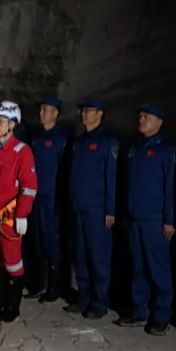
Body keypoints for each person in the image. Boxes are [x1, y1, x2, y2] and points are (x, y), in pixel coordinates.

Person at [120, 103, 176, 334]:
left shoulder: (166, 150)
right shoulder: (134, 149)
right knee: (138, 267)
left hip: (155, 220)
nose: (141, 119)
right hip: (135, 218)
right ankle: (139, 310)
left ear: (159, 122)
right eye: (140, 116)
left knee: (158, 269)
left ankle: (161, 315)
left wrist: (169, 220)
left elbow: (170, 187)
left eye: (147, 117)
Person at [0, 101, 38, 323]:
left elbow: (29, 187)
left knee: (12, 262)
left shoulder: (22, 152)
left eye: (1, 121)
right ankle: (1, 305)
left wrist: (22, 214)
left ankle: (12, 309)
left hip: (9, 218)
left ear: (12, 125)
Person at [66, 98, 118, 318]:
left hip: (97, 209)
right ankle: (83, 296)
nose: (84, 114)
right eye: (83, 111)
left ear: (100, 114)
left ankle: (99, 301)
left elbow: (111, 178)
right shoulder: (79, 141)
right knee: (81, 256)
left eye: (89, 111)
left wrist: (110, 209)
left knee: (98, 257)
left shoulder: (108, 141)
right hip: (79, 207)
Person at [24, 96, 67, 301]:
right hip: (35, 197)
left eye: (45, 110)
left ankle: (54, 286)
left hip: (51, 198)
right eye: (40, 109)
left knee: (52, 242)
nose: (41, 113)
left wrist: (61, 198)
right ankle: (40, 283)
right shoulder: (36, 137)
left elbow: (65, 170)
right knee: (37, 240)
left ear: (55, 113)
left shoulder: (62, 137)